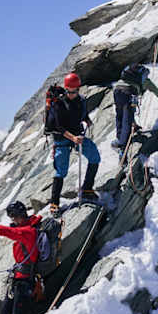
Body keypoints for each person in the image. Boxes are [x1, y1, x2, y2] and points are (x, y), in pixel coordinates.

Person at [46, 73, 102, 213]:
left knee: (95, 157)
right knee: (61, 170)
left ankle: (87, 189)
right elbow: (59, 127)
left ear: (78, 89)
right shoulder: (59, 103)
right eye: (69, 91)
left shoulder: (81, 101)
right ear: (66, 89)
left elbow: (81, 114)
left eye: (74, 91)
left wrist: (87, 120)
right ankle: (54, 203)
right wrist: (73, 138)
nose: (71, 94)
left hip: (77, 135)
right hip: (62, 138)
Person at [113, 64, 158, 151]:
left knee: (120, 116)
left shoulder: (129, 77)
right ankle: (123, 147)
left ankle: (120, 138)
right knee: (127, 119)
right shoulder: (147, 82)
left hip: (117, 89)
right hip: (128, 92)